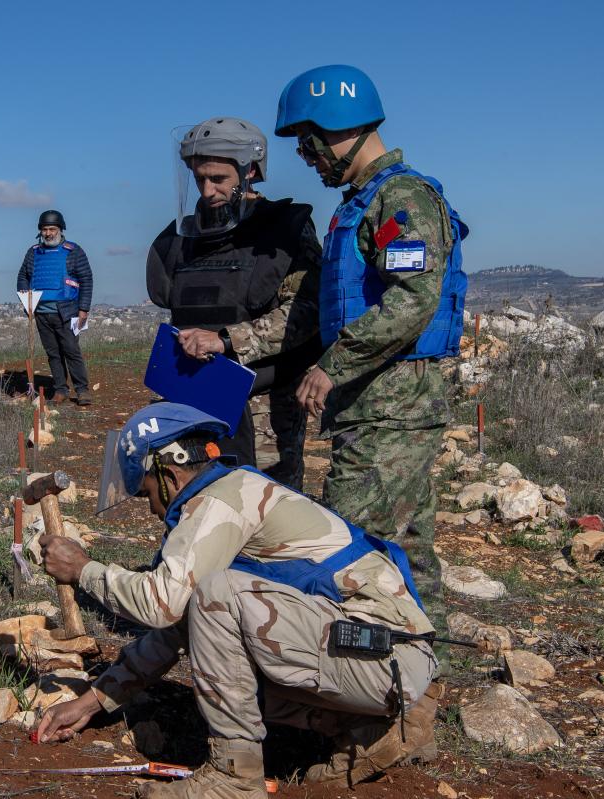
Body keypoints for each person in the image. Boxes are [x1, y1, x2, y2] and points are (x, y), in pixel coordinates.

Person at [36, 403, 441, 798]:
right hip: (385, 661)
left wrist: (85, 570)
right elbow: (175, 629)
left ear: (168, 474)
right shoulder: (232, 493)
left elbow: (160, 604)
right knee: (218, 634)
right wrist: (92, 703)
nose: (154, 511)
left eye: (146, 496)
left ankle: (235, 778)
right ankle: (378, 726)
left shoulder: (219, 502)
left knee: (219, 596)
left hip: (383, 659)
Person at [274, 65, 469, 636]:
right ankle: (419, 674)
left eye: (308, 143)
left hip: (392, 407)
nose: (307, 157)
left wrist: (330, 368)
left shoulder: (401, 198)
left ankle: (382, 682)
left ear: (338, 128)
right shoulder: (363, 203)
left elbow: (414, 300)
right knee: (403, 546)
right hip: (377, 408)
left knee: (351, 549)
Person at [146, 117, 323, 488]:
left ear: (250, 171)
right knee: (199, 505)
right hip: (194, 399)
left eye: (218, 179)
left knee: (269, 510)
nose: (207, 191)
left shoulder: (284, 231)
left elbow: (305, 313)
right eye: (199, 179)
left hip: (263, 410)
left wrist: (227, 339)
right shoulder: (183, 239)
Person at [17, 209, 94, 405]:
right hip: (42, 313)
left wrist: (83, 309)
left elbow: (86, 279)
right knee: (53, 353)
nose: (48, 233)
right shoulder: (33, 253)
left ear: (60, 229)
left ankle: (82, 390)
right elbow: (22, 277)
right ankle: (60, 389)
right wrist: (27, 303)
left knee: (71, 351)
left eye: (52, 228)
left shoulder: (73, 251)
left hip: (67, 311)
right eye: (45, 229)